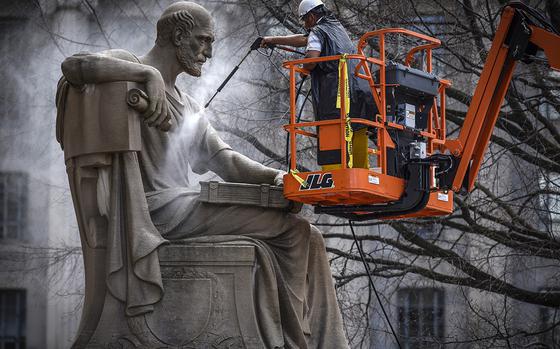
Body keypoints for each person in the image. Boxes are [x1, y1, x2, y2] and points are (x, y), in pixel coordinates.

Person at [58, 2, 349, 348]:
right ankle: (293, 340)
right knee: (293, 232)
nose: (209, 52)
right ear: (178, 36)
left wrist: (280, 178)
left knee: (310, 236)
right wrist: (147, 76)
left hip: (185, 208)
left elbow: (224, 160)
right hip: (151, 212)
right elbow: (73, 67)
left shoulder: (190, 106)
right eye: (204, 40)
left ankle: (327, 343)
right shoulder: (130, 67)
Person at [261, 0, 373, 169]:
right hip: (358, 94)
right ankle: (361, 175)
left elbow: (312, 58)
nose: (305, 25)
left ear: (312, 16)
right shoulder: (336, 28)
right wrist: (271, 39)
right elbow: (304, 39)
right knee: (356, 131)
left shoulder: (317, 31)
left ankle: (334, 177)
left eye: (305, 20)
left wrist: (304, 66)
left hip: (334, 97)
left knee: (333, 143)